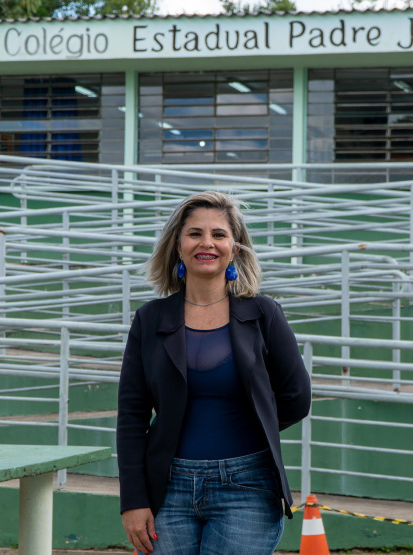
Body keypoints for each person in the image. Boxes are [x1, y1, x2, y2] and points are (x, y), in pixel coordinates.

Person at [116, 191, 312, 555]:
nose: (207, 243)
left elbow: (296, 398)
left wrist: (249, 425)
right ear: (178, 245)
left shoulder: (263, 313)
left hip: (247, 489)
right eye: (195, 233)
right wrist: (133, 501)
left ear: (234, 248)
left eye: (219, 234)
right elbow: (131, 417)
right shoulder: (150, 319)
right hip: (167, 489)